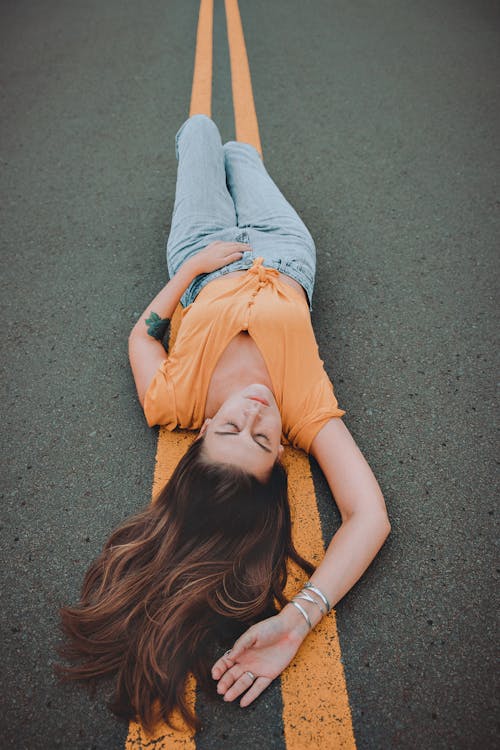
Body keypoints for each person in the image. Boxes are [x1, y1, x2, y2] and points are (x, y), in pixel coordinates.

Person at [56, 115, 391, 732]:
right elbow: (370, 517)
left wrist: (190, 270)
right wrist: (299, 618)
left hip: (201, 251)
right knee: (242, 153)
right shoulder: (304, 410)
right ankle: (242, 157)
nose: (255, 415)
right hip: (287, 253)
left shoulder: (174, 402)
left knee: (201, 131)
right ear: (281, 456)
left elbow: (141, 337)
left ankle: (207, 149)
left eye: (230, 430)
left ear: (202, 431)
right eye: (263, 440)